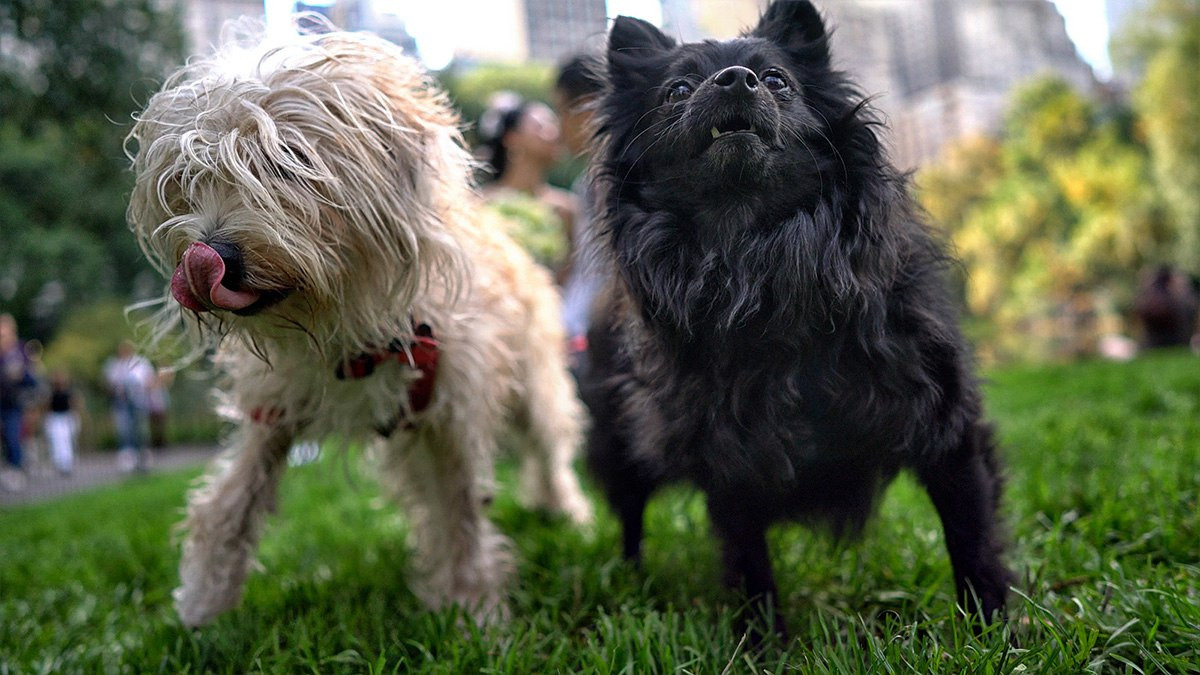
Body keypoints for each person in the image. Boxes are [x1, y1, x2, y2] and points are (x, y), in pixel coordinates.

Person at [476, 91, 577, 278]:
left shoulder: (568, 209)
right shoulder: (479, 206)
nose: (555, 133)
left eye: (554, 124)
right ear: (511, 138)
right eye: (541, 126)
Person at [552, 54, 607, 376]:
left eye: (561, 111)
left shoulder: (628, 183)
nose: (559, 129)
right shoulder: (585, 185)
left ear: (587, 107)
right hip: (575, 336)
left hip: (600, 343)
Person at [104, 340, 155, 472]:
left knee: (141, 430)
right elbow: (110, 384)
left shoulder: (141, 363)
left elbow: (149, 381)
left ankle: (143, 456)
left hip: (139, 402)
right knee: (125, 430)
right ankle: (127, 456)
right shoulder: (115, 365)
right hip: (122, 404)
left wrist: (139, 388)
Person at [1, 314, 37, 486]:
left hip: (14, 401)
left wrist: (20, 374)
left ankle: (15, 468)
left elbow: (30, 376)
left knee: (12, 434)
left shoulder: (20, 350)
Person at [43, 369, 82, 475]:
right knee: (57, 441)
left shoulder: (69, 392)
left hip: (66, 417)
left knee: (66, 441)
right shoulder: (51, 393)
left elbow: (75, 404)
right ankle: (59, 462)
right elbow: (47, 407)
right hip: (55, 418)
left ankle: (67, 463)